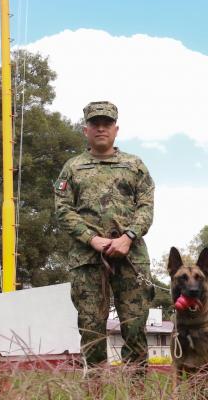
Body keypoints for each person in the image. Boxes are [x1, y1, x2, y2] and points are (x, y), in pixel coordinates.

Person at [54, 101, 154, 369]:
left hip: (130, 257)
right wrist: (91, 239)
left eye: (106, 123)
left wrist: (128, 236)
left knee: (134, 328)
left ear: (116, 129)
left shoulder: (135, 166)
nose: (101, 128)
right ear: (86, 130)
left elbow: (146, 206)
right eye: (95, 123)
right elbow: (62, 210)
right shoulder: (72, 168)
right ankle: (95, 390)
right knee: (91, 330)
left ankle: (135, 392)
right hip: (87, 259)